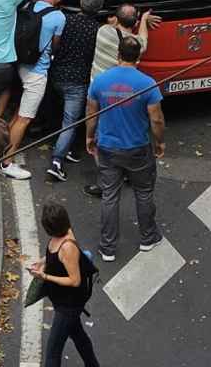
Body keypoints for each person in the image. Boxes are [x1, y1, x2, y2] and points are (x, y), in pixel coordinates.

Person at [86, 35, 164, 262]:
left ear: (118, 55)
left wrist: (90, 137)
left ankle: (108, 248)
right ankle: (148, 238)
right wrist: (160, 142)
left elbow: (91, 114)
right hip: (138, 148)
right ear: (138, 57)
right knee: (143, 192)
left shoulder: (100, 81)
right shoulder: (147, 83)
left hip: (108, 147)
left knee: (110, 195)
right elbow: (156, 120)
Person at [0, 0, 65, 180]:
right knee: (25, 117)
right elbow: (55, 46)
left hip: (20, 63)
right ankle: (7, 162)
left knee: (19, 113)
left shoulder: (28, 6)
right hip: (38, 71)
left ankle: (1, 152)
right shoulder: (59, 17)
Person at [28, 203, 101, 367]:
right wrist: (41, 262)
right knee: (78, 335)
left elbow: (75, 281)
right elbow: (54, 257)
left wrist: (44, 275)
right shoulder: (62, 234)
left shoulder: (67, 247)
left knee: (53, 352)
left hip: (68, 305)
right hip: (62, 300)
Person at [46, 0, 104, 183]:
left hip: (56, 74)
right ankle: (57, 161)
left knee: (62, 115)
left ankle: (66, 147)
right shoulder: (97, 30)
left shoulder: (65, 20)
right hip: (78, 81)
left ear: (81, 3)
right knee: (70, 121)